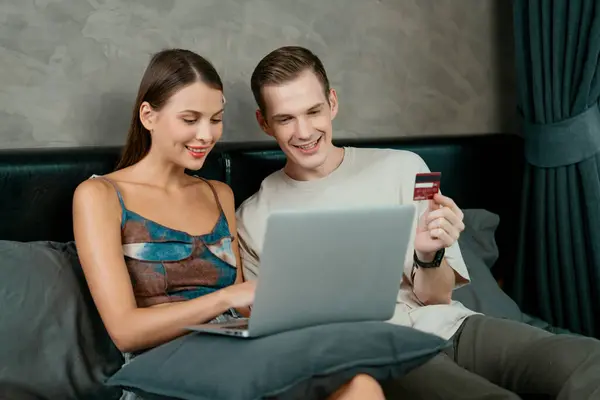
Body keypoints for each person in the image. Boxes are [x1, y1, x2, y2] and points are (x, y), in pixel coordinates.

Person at [235, 45, 600, 399]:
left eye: (313, 111)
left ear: (332, 102)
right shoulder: (253, 218)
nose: (303, 131)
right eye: (285, 118)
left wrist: (429, 254)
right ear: (264, 123)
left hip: (449, 326)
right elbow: (272, 331)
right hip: (373, 353)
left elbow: (435, 296)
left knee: (590, 362)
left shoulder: (404, 167)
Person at [72, 48, 387, 400]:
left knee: (360, 385)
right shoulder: (100, 195)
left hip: (241, 354)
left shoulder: (218, 193)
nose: (206, 135)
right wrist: (225, 298)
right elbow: (126, 331)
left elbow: (244, 307)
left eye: (215, 119)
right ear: (148, 116)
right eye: (190, 119)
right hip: (166, 368)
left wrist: (304, 298)